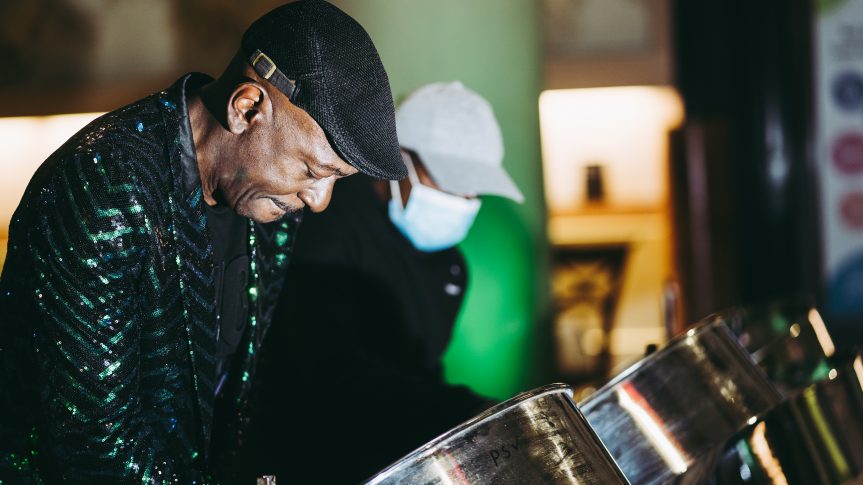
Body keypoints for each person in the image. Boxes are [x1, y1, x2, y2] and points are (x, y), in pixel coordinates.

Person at [0, 1, 406, 482]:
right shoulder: (105, 184)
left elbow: (233, 390)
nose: (319, 201)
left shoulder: (265, 198)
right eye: (315, 171)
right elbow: (93, 444)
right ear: (247, 108)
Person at [242, 82, 525, 483]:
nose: (463, 199)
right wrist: (467, 410)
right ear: (397, 158)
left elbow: (421, 373)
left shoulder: (449, 266)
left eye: (473, 187)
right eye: (451, 180)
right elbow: (326, 373)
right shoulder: (324, 226)